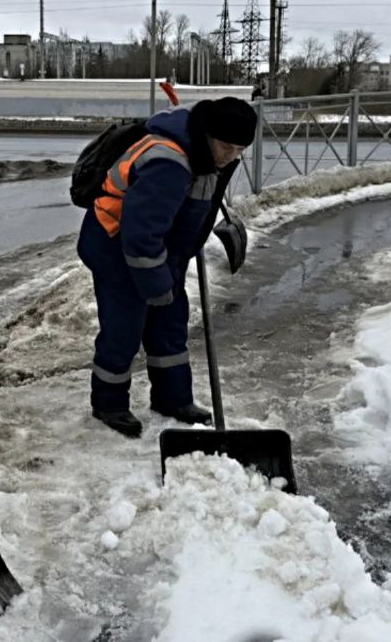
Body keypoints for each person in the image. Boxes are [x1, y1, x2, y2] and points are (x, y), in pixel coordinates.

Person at [77, 97, 257, 438]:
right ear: (208, 135)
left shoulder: (209, 153)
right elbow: (141, 233)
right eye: (226, 147)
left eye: (239, 150)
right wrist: (157, 283)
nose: (230, 157)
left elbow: (193, 204)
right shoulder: (169, 161)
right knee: (124, 327)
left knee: (170, 322)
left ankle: (173, 399)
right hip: (116, 246)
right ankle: (109, 403)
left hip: (162, 250)